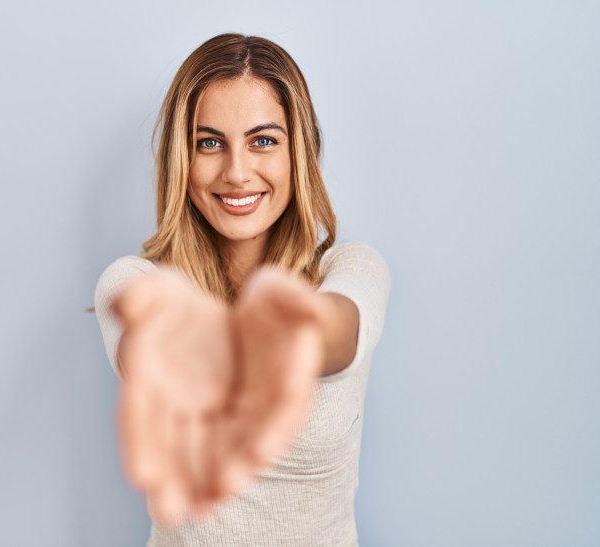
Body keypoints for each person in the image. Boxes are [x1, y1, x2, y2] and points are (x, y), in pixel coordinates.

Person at [95, 33, 390, 546]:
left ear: (299, 151)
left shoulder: (353, 269)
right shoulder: (134, 282)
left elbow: (336, 335)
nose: (236, 172)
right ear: (181, 159)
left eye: (263, 140)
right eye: (209, 142)